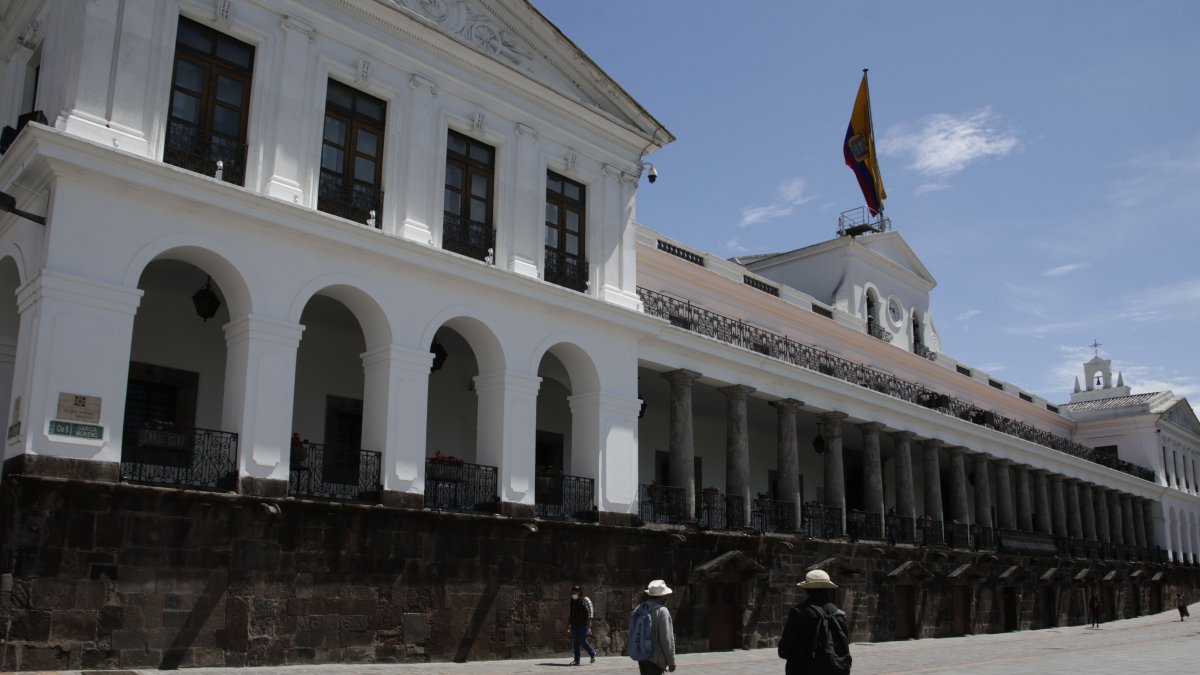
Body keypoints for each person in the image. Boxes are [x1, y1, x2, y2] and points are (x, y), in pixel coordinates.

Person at [778, 569, 851, 675]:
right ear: (828, 589)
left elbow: (785, 650)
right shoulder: (839, 615)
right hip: (834, 670)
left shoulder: (799, 612)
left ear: (807, 590)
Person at [633, 579, 676, 674]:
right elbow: (666, 639)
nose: (667, 597)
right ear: (662, 596)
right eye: (665, 595)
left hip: (642, 657)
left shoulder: (639, 608)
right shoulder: (662, 611)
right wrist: (671, 661)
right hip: (656, 660)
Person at [569, 584, 596, 666]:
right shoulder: (572, 601)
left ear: (580, 592)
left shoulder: (585, 599)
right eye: (573, 591)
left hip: (582, 623)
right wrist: (569, 624)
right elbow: (571, 613)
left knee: (582, 640)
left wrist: (590, 622)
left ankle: (592, 653)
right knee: (576, 642)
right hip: (574, 624)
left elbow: (590, 610)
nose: (574, 593)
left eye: (576, 591)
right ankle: (576, 660)